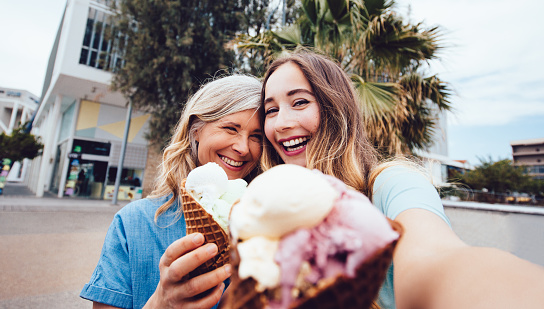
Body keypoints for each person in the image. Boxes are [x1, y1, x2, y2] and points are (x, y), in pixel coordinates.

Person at [260, 49, 544, 309]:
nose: (282, 122)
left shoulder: (392, 184)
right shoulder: (270, 215)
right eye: (271, 110)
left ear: (336, 109)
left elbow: (433, 261)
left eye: (299, 102)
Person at [80, 74, 263, 309]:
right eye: (230, 128)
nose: (243, 148)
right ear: (196, 129)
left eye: (256, 137)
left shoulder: (272, 229)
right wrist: (161, 303)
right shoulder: (134, 223)